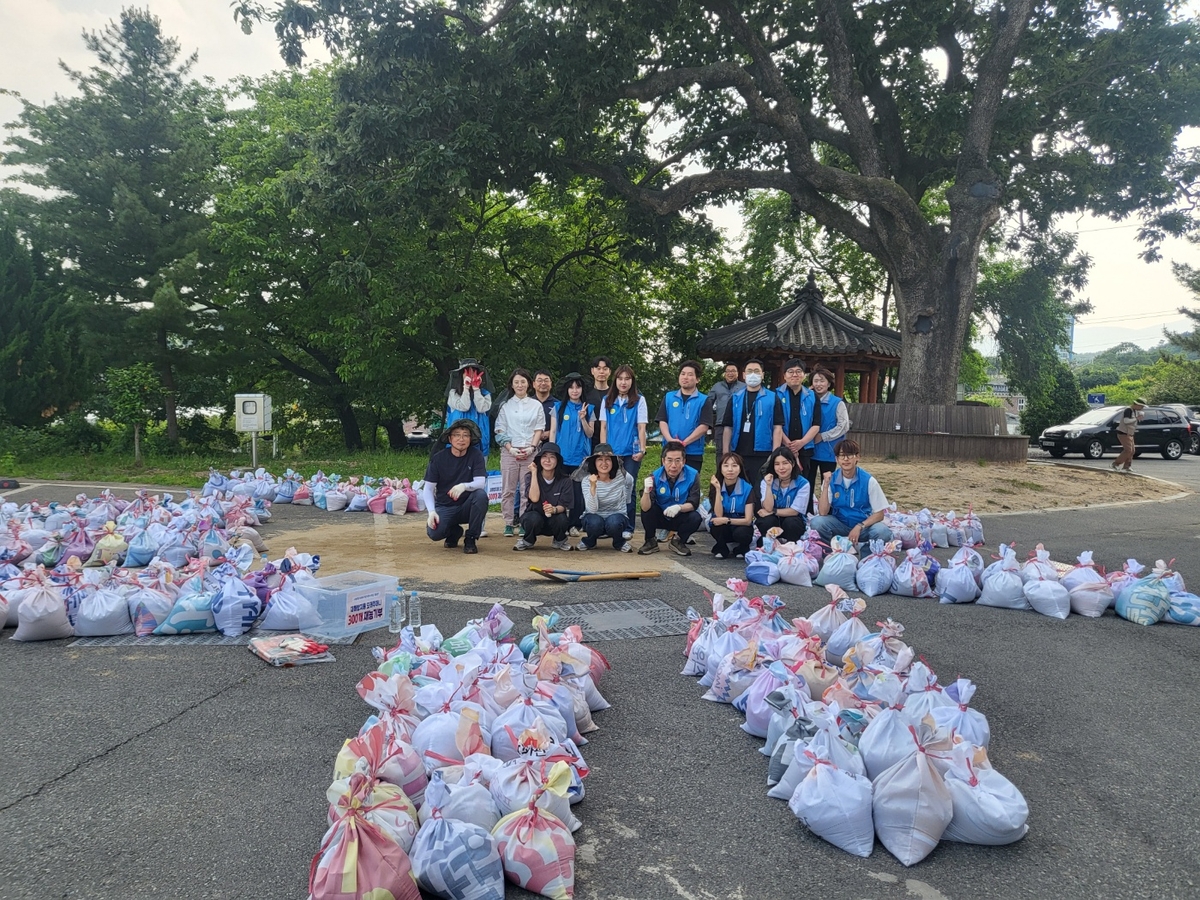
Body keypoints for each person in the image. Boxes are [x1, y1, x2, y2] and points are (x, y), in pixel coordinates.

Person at [809, 439, 893, 550]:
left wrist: (860, 526)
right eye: (842, 456)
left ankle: (865, 555)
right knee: (817, 523)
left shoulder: (869, 480)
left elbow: (879, 514)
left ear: (857, 457)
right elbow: (823, 512)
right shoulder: (831, 479)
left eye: (850, 455)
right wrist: (825, 485)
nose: (846, 459)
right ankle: (830, 551)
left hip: (863, 526)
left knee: (883, 532)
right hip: (840, 524)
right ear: (837, 459)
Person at [420, 420, 488, 554]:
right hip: (445, 506)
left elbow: (481, 482)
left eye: (465, 435)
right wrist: (431, 512)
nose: (461, 439)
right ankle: (454, 532)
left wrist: (464, 486)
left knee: (481, 496)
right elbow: (428, 489)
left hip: (467, 506)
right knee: (434, 533)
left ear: (470, 439)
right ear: (450, 439)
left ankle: (471, 538)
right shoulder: (438, 458)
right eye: (457, 435)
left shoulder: (476, 455)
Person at [494, 368, 544, 537]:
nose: (520, 385)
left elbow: (539, 428)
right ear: (512, 385)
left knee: (527, 489)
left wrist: (532, 447)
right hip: (510, 451)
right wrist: (511, 449)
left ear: (529, 384)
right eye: (516, 382)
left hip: (530, 451)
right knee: (508, 489)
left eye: (523, 382)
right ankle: (508, 522)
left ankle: (524, 521)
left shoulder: (536, 405)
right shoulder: (505, 406)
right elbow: (500, 430)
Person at [599, 364, 648, 528]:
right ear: (615, 381)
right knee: (610, 485)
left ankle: (628, 526)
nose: (623, 382)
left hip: (631, 453)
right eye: (620, 379)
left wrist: (642, 449)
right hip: (611, 453)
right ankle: (609, 524)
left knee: (629, 487)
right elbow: (604, 427)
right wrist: (603, 451)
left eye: (627, 379)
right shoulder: (607, 400)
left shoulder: (639, 400)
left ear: (632, 381)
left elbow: (642, 427)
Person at [721, 358, 783, 481]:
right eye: (749, 371)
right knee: (740, 489)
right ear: (744, 375)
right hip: (738, 452)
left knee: (761, 490)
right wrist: (725, 453)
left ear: (763, 375)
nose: (753, 374)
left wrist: (775, 454)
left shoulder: (772, 398)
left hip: (763, 452)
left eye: (756, 371)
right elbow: (728, 427)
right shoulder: (735, 398)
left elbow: (778, 427)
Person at [637, 441, 702, 557]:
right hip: (660, 515)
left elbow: (694, 503)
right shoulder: (654, 476)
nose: (673, 465)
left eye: (678, 460)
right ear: (663, 461)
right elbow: (645, 507)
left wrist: (679, 507)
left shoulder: (693, 475)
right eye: (670, 460)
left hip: (680, 515)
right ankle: (650, 540)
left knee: (695, 517)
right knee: (647, 508)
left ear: (684, 461)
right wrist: (646, 492)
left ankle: (678, 540)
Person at [553, 372, 596, 531]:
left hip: (581, 458)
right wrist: (552, 453)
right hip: (562, 457)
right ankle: (560, 523)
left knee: (578, 494)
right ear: (567, 390)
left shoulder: (590, 408)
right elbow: (553, 432)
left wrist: (583, 418)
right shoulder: (558, 408)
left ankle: (575, 524)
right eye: (571, 387)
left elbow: (590, 433)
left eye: (578, 387)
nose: (575, 390)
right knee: (561, 491)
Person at [656, 359, 715, 473]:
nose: (685, 377)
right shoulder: (669, 397)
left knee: (691, 484)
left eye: (690, 374)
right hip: (670, 450)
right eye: (682, 374)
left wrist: (684, 443)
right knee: (667, 483)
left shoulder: (704, 400)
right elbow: (662, 420)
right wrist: (670, 440)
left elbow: (704, 426)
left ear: (697, 379)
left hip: (693, 452)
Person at [776, 358, 820, 509]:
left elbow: (816, 424)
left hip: (805, 447)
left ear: (804, 375)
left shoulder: (812, 396)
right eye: (790, 372)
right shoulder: (775, 395)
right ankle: (781, 510)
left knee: (805, 480)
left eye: (798, 371)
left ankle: (805, 512)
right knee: (781, 478)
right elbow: (774, 424)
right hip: (783, 446)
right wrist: (788, 443)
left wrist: (801, 442)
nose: (794, 375)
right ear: (784, 376)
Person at [514, 442, 574, 551]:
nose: (547, 460)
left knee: (562, 519)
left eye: (552, 457)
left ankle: (560, 540)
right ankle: (528, 540)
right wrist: (534, 472)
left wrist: (554, 509)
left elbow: (564, 505)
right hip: (535, 515)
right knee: (531, 519)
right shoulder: (530, 476)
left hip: (555, 516)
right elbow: (534, 498)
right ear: (539, 459)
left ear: (557, 461)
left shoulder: (565, 480)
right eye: (544, 456)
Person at [578, 443, 635, 552]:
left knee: (614, 522)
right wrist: (593, 486)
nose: (604, 463)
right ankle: (590, 541)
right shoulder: (587, 480)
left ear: (613, 461)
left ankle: (619, 542)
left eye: (607, 459)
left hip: (617, 515)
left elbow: (630, 482)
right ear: (594, 462)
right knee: (594, 522)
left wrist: (626, 499)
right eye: (600, 459)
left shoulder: (622, 475)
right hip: (594, 516)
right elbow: (592, 509)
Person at [754, 446, 812, 544]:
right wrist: (768, 486)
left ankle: (791, 546)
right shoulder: (767, 481)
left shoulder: (803, 483)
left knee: (792, 522)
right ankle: (769, 545)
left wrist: (773, 511)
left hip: (792, 521)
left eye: (785, 463)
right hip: (774, 520)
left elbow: (794, 511)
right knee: (766, 521)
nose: (781, 468)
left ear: (793, 463)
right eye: (777, 464)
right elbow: (767, 507)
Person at [708, 452, 756, 559]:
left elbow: (748, 520)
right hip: (724, 522)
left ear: (740, 469)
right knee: (716, 525)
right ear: (720, 468)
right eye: (726, 466)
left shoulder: (747, 488)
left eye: (734, 466)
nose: (730, 469)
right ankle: (721, 548)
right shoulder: (716, 485)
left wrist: (727, 520)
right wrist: (718, 490)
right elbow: (718, 514)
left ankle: (742, 548)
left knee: (743, 533)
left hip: (740, 523)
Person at [809, 365, 851, 485]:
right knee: (807, 484)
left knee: (827, 485)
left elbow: (844, 426)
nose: (818, 384)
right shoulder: (807, 401)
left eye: (822, 381)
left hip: (829, 450)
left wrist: (823, 436)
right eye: (815, 381)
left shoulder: (837, 403)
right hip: (809, 450)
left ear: (829, 383)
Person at [442, 358, 494, 452]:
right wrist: (466, 388)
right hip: (457, 444)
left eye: (473, 372)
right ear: (461, 375)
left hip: (480, 443)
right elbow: (464, 407)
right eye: (466, 372)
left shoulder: (485, 394)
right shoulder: (453, 394)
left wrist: (476, 389)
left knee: (478, 466)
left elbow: (481, 408)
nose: (470, 375)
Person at [710, 362, 745, 463]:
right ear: (725, 373)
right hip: (720, 424)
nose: (730, 373)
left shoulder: (744, 387)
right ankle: (720, 475)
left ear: (738, 373)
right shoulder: (717, 386)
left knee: (739, 451)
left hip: (739, 425)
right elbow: (708, 404)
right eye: (728, 371)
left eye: (733, 371)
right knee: (720, 452)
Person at [585, 355, 613, 451]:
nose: (601, 372)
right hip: (589, 441)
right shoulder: (586, 395)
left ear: (609, 372)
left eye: (605, 369)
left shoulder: (615, 394)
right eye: (598, 368)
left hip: (611, 440)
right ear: (592, 371)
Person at [1113, 398, 1147, 472]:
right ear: (1137, 405)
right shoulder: (1128, 410)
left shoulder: (1134, 411)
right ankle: (1116, 464)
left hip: (1129, 433)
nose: (1142, 408)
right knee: (1128, 450)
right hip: (1123, 433)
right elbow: (1126, 421)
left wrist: (1139, 417)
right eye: (1141, 406)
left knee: (1132, 451)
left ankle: (1127, 466)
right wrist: (1137, 418)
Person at [532, 369, 557, 438]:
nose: (543, 383)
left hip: (552, 444)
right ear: (534, 384)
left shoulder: (557, 404)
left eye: (546, 380)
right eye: (539, 380)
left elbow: (563, 426)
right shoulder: (527, 403)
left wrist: (549, 433)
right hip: (529, 443)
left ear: (551, 384)